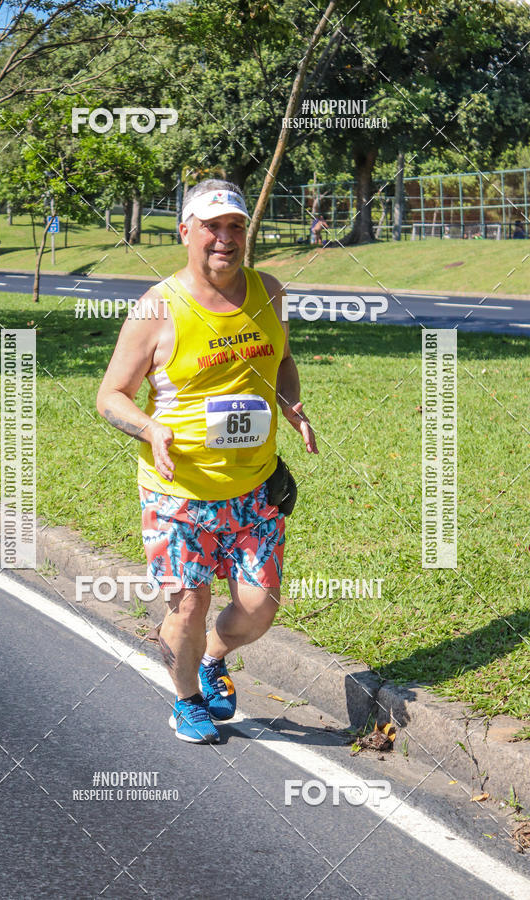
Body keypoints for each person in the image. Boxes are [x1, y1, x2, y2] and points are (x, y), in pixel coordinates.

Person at [97, 179, 317, 743]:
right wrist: (150, 428)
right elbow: (111, 396)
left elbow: (283, 359)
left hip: (255, 487)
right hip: (178, 492)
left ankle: (214, 659)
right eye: (212, 227)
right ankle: (187, 698)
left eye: (235, 227)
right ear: (186, 232)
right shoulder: (157, 307)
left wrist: (291, 403)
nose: (225, 238)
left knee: (257, 608)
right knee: (188, 605)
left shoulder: (269, 290)